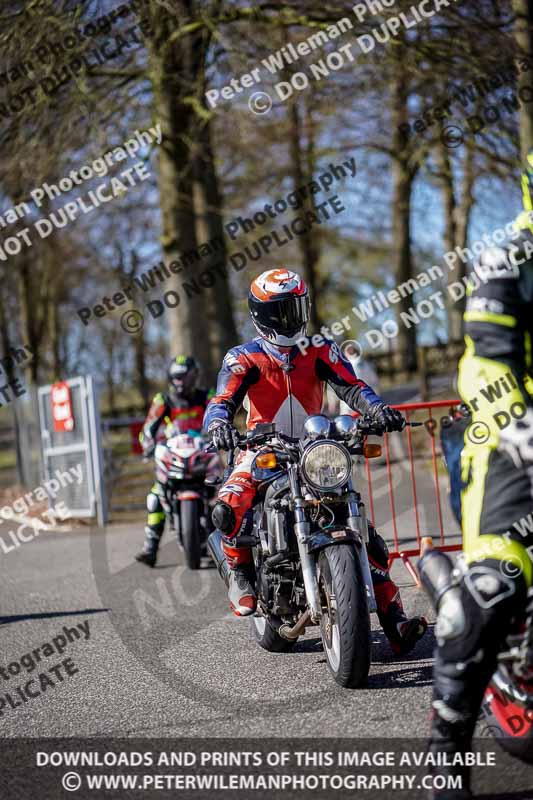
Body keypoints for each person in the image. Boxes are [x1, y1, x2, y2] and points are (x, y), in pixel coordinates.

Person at [204, 268, 427, 656]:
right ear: (262, 314)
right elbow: (221, 401)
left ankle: (395, 620)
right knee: (229, 506)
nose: (290, 318)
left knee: (367, 535)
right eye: (281, 311)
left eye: (296, 307)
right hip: (263, 446)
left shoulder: (321, 349)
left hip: (317, 445)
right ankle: (239, 570)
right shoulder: (243, 357)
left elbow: (353, 388)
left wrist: (378, 409)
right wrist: (219, 424)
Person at [423, 153, 533, 798]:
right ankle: (447, 746)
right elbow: (487, 359)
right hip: (510, 436)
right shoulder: (511, 257)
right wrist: (519, 427)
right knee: (495, 581)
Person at [135, 355, 210, 567]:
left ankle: (232, 544)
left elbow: (219, 414)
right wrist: (147, 444)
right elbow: (148, 427)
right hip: (174, 456)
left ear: (194, 377)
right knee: (155, 497)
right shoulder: (163, 400)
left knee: (224, 491)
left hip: (203, 454)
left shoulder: (207, 396)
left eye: (184, 377)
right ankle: (150, 547)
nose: (180, 382)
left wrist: (223, 435)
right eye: (176, 377)